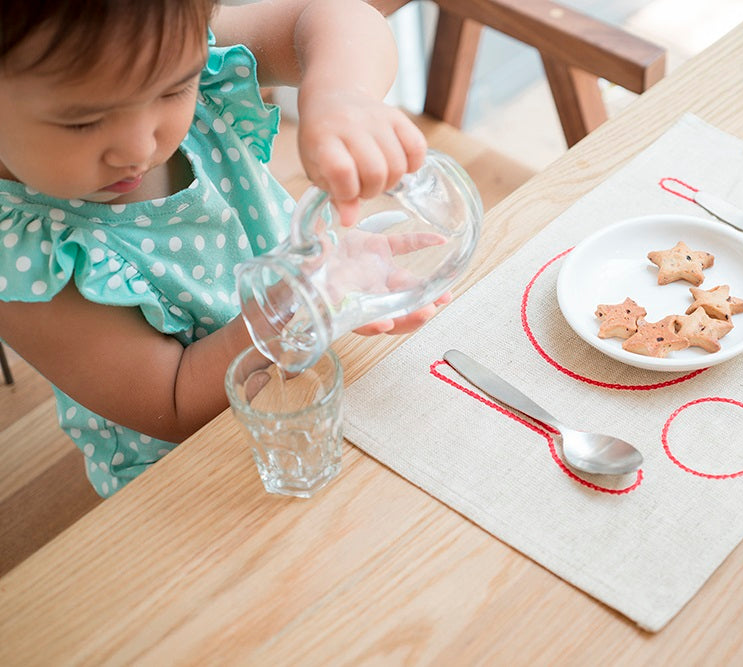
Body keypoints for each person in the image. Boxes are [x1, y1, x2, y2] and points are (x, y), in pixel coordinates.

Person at [0, 0, 445, 497]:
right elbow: (172, 403)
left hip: (297, 367)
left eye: (174, 89)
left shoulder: (163, 40)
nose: (138, 149)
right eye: (82, 121)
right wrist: (294, 301)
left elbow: (332, 15)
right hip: (193, 473)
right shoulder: (23, 256)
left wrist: (344, 94)